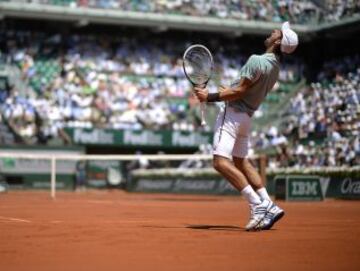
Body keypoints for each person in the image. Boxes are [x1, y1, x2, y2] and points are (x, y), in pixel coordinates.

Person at [194, 22, 298, 231]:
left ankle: (257, 205)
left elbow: (241, 91)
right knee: (241, 162)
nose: (273, 32)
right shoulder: (276, 68)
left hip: (232, 116)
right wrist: (226, 91)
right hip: (246, 119)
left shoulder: (256, 60)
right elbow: (245, 90)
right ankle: (269, 204)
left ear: (278, 41)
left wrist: (210, 96)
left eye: (277, 32)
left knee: (220, 163)